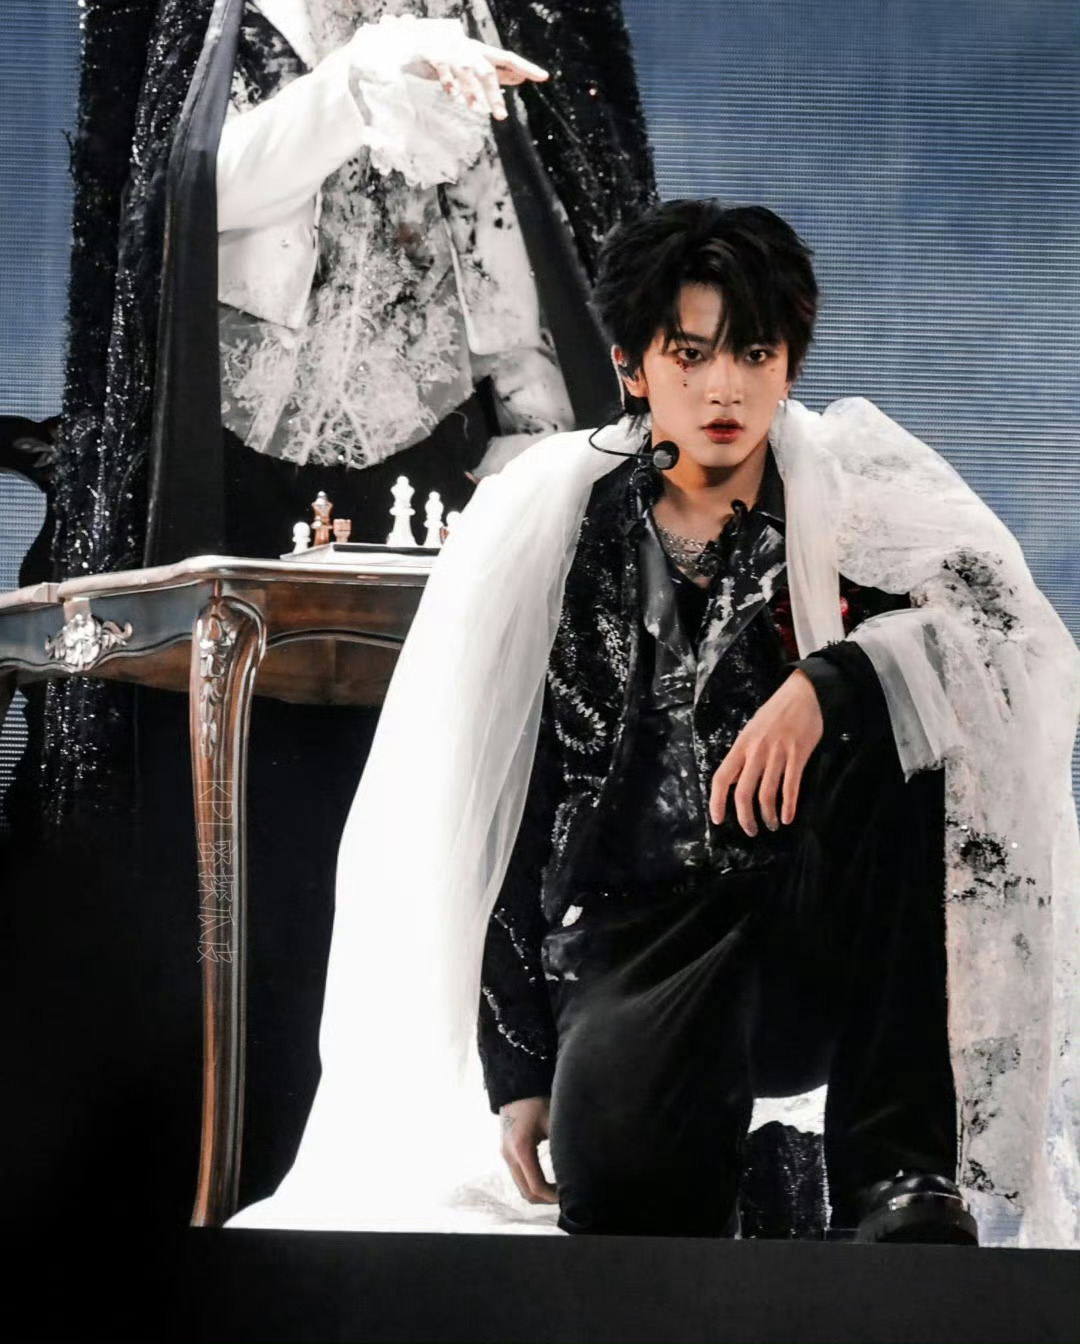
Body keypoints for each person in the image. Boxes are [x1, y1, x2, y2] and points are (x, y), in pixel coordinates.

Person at [24, 0, 653, 1219]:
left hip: (456, 465)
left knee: (464, 845)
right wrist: (350, 96)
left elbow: (582, 227)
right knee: (235, 871)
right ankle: (190, 1197)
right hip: (236, 467)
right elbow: (155, 225)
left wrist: (569, 464)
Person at [231, 200, 1078, 1244]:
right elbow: (502, 796)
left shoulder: (856, 502)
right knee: (630, 1205)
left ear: (789, 367)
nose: (725, 388)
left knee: (906, 714)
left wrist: (832, 681)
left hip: (808, 916)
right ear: (634, 367)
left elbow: (1007, 638)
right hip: (634, 934)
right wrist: (520, 1065)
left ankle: (896, 1173)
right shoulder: (558, 525)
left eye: (754, 354)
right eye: (692, 354)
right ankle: (713, 1167)